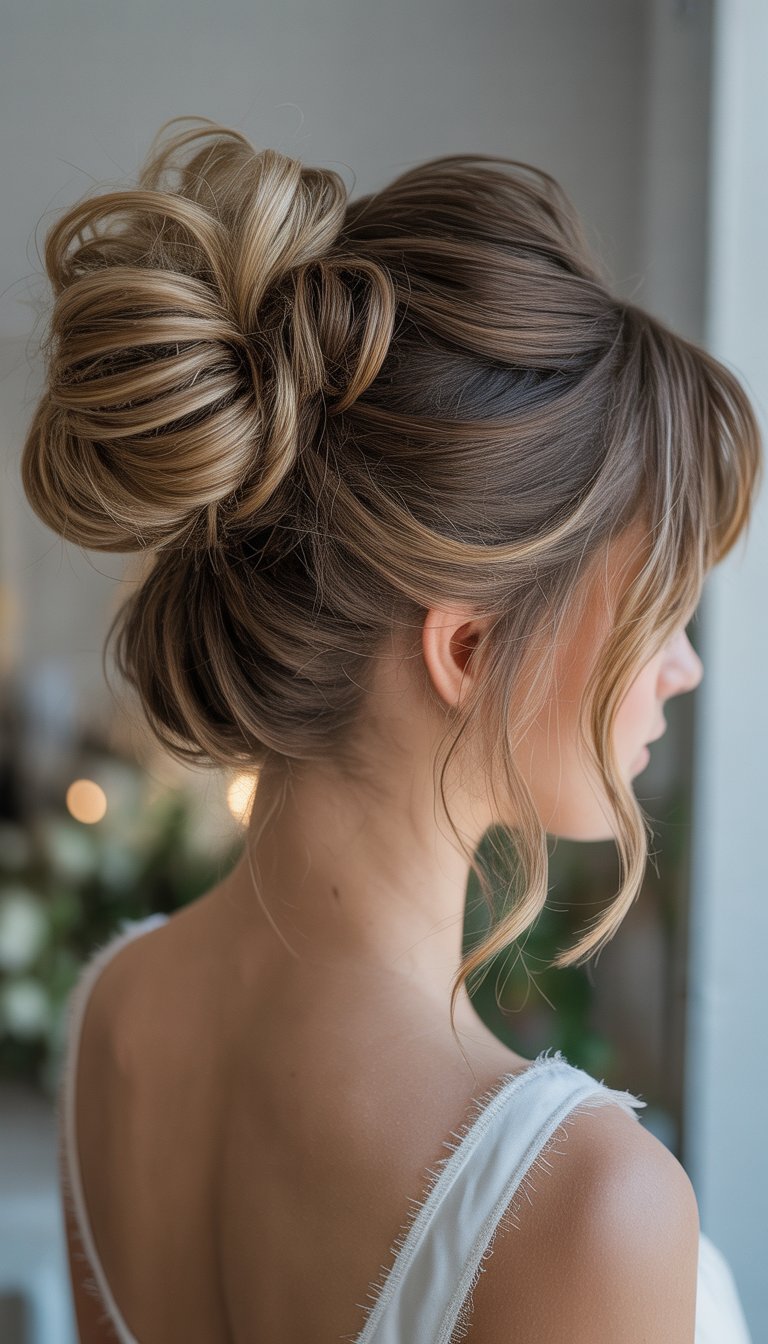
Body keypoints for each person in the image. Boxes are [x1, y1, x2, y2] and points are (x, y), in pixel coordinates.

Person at [22, 115, 761, 1342]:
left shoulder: (118, 1017)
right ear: (466, 647)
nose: (680, 670)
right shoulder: (582, 1203)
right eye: (656, 612)